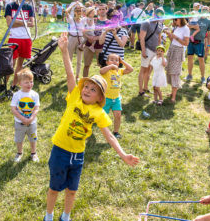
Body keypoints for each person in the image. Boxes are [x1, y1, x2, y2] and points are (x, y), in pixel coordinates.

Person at [44, 33, 139, 221]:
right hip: (60, 151)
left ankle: (66, 216)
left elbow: (110, 136)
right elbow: (70, 73)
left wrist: (123, 155)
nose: (87, 90)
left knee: (72, 191)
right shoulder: (74, 98)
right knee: (54, 188)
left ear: (100, 98)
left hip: (78, 156)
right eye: (86, 86)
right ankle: (48, 215)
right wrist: (64, 52)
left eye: (93, 89)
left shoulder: (99, 113)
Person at [5, 0, 34, 90]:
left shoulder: (28, 7)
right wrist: (24, 22)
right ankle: (4, 85)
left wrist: (16, 22)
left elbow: (32, 24)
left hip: (26, 38)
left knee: (20, 64)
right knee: (10, 64)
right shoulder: (10, 6)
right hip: (14, 38)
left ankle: (14, 85)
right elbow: (9, 23)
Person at [99, 53, 133, 138]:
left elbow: (131, 69)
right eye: (112, 60)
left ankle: (116, 132)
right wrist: (111, 67)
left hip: (116, 98)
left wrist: (122, 61)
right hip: (106, 98)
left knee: (118, 115)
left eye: (116, 60)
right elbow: (101, 71)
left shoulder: (119, 71)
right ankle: (102, 129)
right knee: (103, 116)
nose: (114, 61)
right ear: (107, 62)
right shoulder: (106, 71)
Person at [11, 68, 40, 162]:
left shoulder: (35, 95)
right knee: (19, 139)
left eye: (31, 82)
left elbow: (36, 108)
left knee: (33, 138)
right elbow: (13, 109)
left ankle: (33, 153)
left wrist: (31, 118)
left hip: (32, 123)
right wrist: (22, 118)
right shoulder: (17, 95)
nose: (29, 84)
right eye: (26, 82)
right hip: (20, 123)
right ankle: (19, 153)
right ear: (20, 84)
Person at [164, 18, 190, 103]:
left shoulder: (186, 29)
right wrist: (169, 35)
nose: (174, 21)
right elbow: (173, 40)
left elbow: (186, 43)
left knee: (175, 73)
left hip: (178, 51)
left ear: (181, 19)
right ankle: (172, 93)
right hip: (172, 49)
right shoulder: (177, 27)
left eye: (176, 19)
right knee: (170, 71)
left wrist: (175, 37)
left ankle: (173, 98)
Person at [138, 13, 163, 96]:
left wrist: (159, 51)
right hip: (147, 49)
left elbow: (159, 38)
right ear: (154, 13)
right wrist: (144, 50)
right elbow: (141, 38)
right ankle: (141, 90)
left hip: (155, 51)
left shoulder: (159, 24)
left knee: (149, 70)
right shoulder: (146, 23)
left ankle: (146, 87)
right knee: (143, 69)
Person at [185, 13, 210, 84]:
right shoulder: (196, 17)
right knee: (190, 58)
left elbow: (209, 34)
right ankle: (189, 75)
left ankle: (203, 77)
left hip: (200, 42)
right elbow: (187, 26)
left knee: (201, 59)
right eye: (203, 10)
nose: (204, 11)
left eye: (206, 10)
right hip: (191, 42)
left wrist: (208, 45)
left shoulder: (209, 21)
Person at [83, 5, 107, 77]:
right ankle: (84, 81)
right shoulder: (94, 20)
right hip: (89, 44)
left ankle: (103, 84)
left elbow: (108, 34)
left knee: (102, 66)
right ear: (97, 11)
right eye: (100, 9)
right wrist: (88, 37)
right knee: (86, 65)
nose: (101, 11)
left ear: (106, 10)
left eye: (103, 9)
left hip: (101, 46)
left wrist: (96, 38)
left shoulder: (108, 22)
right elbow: (84, 29)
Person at [65, 3, 85, 81]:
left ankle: (77, 75)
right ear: (74, 12)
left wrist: (82, 6)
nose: (78, 12)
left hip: (81, 39)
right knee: (69, 57)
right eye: (77, 11)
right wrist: (73, 6)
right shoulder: (71, 19)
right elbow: (66, 11)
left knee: (79, 59)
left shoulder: (83, 20)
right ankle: (69, 74)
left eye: (79, 10)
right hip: (72, 38)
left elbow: (88, 12)